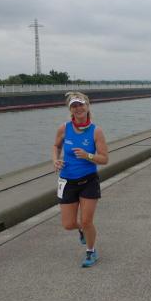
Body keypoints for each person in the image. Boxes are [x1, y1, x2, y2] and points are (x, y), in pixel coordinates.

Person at [52, 92, 109, 267]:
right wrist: (55, 160)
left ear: (87, 106)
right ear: (70, 109)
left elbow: (104, 159)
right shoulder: (64, 128)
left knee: (86, 220)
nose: (78, 108)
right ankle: (82, 230)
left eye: (80, 105)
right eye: (74, 106)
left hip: (88, 180)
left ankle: (91, 251)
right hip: (67, 181)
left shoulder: (96, 131)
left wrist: (87, 155)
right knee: (68, 224)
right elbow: (56, 146)